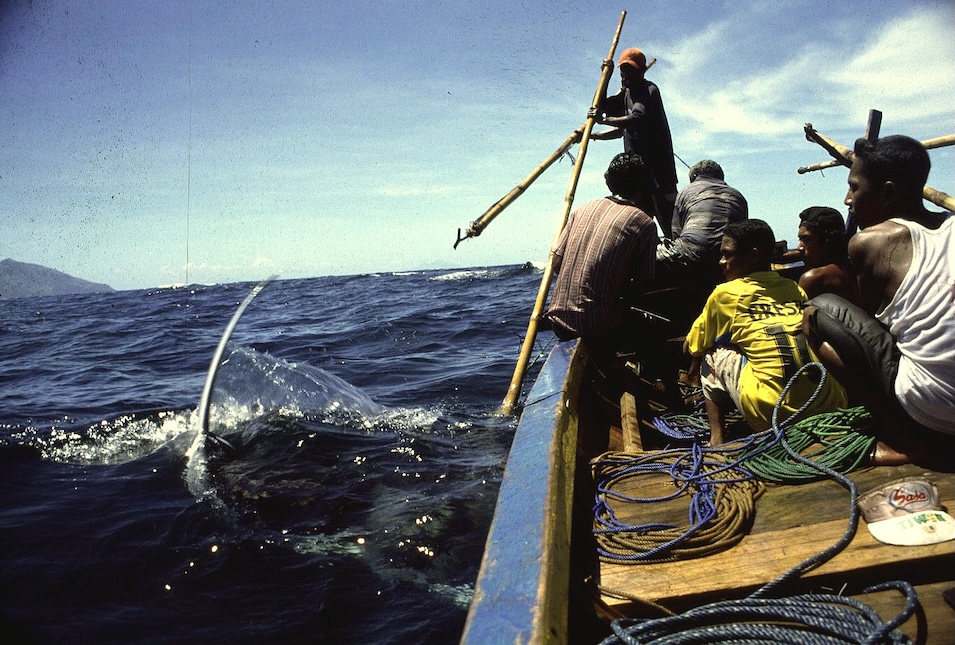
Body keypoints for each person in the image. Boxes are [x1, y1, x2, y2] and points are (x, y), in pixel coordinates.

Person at [802, 135, 955, 465]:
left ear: (887, 192)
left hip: (936, 413)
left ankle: (904, 440)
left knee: (816, 312)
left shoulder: (868, 241)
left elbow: (877, 329)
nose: (847, 200)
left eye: (854, 188)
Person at [683, 219, 847, 445]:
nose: (722, 262)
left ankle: (717, 437)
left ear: (752, 256)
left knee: (712, 352)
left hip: (772, 414)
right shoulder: (793, 288)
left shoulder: (725, 294)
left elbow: (693, 345)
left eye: (727, 255)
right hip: (828, 405)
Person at [545, 152, 658, 360]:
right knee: (650, 326)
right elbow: (644, 286)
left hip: (557, 320)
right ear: (642, 187)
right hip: (597, 324)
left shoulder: (582, 209)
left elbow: (556, 262)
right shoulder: (645, 224)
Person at [589, 47, 678, 237]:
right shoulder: (626, 94)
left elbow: (637, 118)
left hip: (659, 174)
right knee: (638, 225)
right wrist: (606, 76)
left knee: (669, 223)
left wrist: (604, 120)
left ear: (641, 71)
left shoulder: (649, 90)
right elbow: (602, 106)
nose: (626, 77)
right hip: (638, 176)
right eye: (623, 73)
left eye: (631, 72)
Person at [656, 159, 749, 287]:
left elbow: (676, 233)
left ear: (694, 177)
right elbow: (742, 235)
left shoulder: (686, 191)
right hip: (724, 262)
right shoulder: (738, 196)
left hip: (690, 258)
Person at [794, 206, 859, 303]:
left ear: (827, 241)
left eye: (807, 240)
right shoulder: (853, 269)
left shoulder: (812, 278)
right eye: (800, 240)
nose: (800, 247)